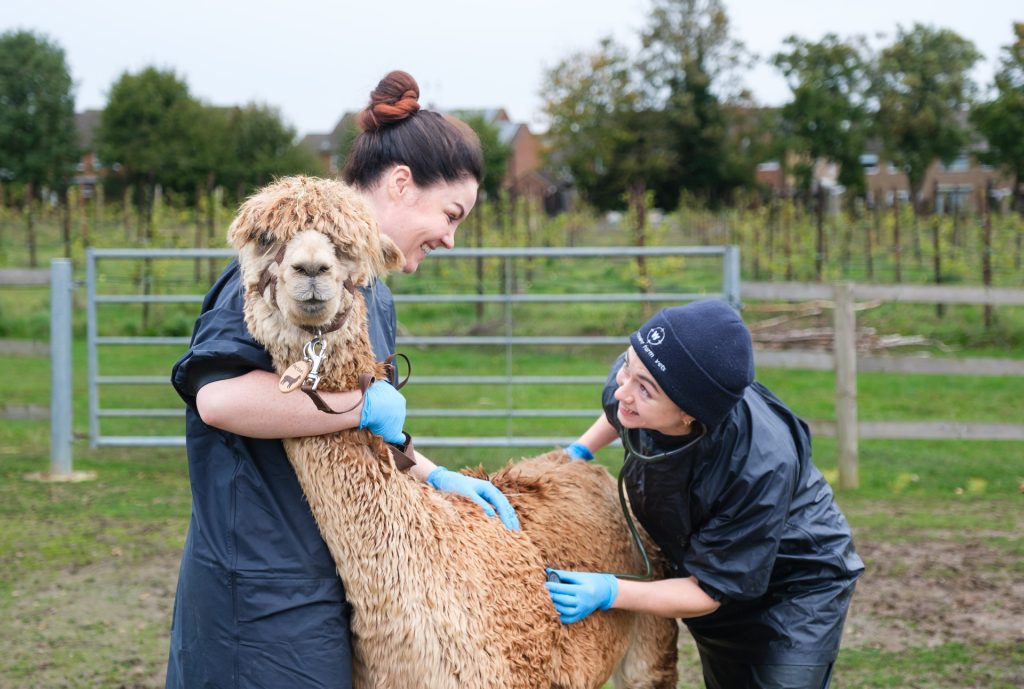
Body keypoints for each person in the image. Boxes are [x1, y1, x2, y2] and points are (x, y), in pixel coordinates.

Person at [166, 70, 519, 689]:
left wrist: (434, 474)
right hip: (258, 586)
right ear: (403, 184)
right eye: (450, 213)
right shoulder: (284, 268)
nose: (452, 238)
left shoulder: (367, 289)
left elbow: (361, 420)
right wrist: (359, 407)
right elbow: (219, 399)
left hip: (329, 570)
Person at [546, 299, 864, 689]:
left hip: (793, 588)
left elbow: (710, 590)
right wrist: (577, 452)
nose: (622, 391)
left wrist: (610, 591)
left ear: (689, 415)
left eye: (643, 389)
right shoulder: (647, 372)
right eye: (627, 366)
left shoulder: (759, 467)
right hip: (706, 564)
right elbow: (621, 407)